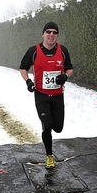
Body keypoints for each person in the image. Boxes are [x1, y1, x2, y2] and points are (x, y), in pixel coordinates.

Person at [19, 22, 73, 169]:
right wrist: (28, 82)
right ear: (43, 34)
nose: (51, 35)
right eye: (48, 32)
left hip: (57, 96)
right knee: (47, 126)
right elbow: (23, 68)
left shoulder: (63, 51)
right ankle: (49, 156)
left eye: (54, 32)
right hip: (41, 95)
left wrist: (65, 77)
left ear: (57, 35)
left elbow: (69, 69)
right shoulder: (34, 51)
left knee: (58, 128)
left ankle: (49, 127)